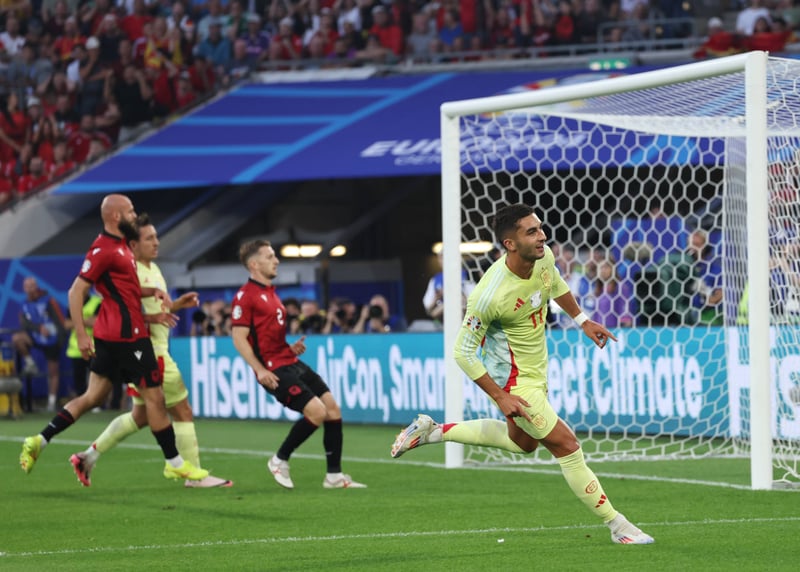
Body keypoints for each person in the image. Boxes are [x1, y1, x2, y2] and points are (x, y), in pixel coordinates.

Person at [391, 204, 654, 545]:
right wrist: (501, 396)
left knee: (523, 443)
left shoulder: (543, 258)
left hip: (536, 373)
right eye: (531, 232)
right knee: (567, 445)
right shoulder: (488, 295)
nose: (542, 235)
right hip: (514, 383)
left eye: (540, 228)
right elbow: (462, 351)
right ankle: (619, 526)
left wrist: (582, 320)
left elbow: (555, 283)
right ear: (510, 244)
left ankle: (434, 432)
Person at [19, 194, 208, 484]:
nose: (134, 215)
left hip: (114, 336)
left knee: (92, 397)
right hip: (129, 338)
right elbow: (76, 291)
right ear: (116, 216)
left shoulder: (121, 246)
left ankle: (40, 440)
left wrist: (152, 292)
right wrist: (81, 334)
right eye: (130, 211)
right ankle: (174, 463)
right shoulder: (104, 249)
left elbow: (125, 290)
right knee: (155, 398)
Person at [70, 214, 232, 488]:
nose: (156, 242)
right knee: (182, 410)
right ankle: (194, 475)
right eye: (149, 238)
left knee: (142, 416)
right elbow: (125, 315)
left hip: (151, 347)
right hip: (148, 351)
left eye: (156, 237)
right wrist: (152, 318)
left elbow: (153, 310)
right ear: (133, 244)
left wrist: (176, 305)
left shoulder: (153, 269)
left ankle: (87, 457)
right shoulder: (130, 271)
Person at [230, 239, 366, 489]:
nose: (276, 260)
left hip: (289, 360)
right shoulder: (245, 296)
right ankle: (279, 459)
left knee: (332, 409)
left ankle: (334, 476)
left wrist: (289, 348)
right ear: (254, 264)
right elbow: (239, 337)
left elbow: (267, 337)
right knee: (317, 412)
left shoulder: (271, 293)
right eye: (270, 256)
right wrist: (260, 370)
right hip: (273, 369)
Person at [12, 276, 68, 412]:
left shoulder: (48, 300)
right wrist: (38, 328)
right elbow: (24, 323)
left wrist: (59, 340)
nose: (30, 289)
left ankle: (51, 403)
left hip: (52, 340)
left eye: (32, 286)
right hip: (35, 337)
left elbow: (60, 321)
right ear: (24, 288)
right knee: (17, 338)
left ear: (36, 286)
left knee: (53, 372)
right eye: (27, 286)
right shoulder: (24, 304)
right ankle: (30, 363)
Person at [64, 290, 103, 396]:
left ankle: (98, 402)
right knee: (79, 382)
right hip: (76, 349)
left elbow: (96, 322)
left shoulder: (96, 302)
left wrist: (77, 321)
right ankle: (81, 401)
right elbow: (66, 324)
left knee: (97, 379)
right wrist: (86, 320)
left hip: (94, 348)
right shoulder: (72, 303)